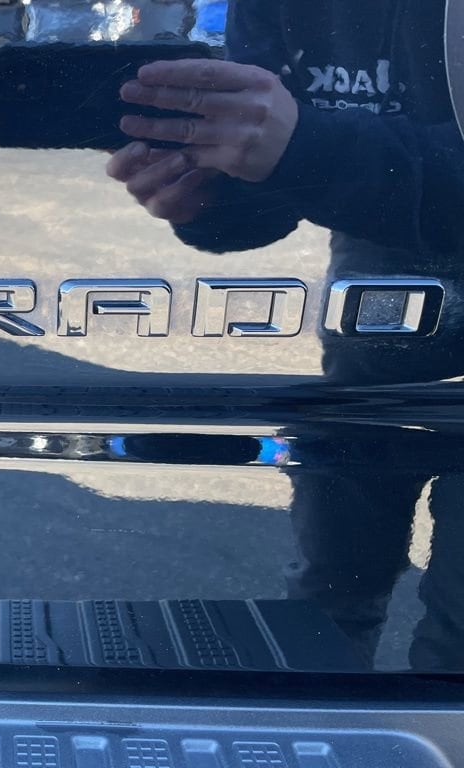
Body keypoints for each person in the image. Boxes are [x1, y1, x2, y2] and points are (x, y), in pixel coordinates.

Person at [105, 0, 464, 669]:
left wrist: (306, 149)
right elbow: (275, 193)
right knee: (330, 585)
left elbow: (306, 151)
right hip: (375, 282)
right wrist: (210, 198)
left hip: (378, 262)